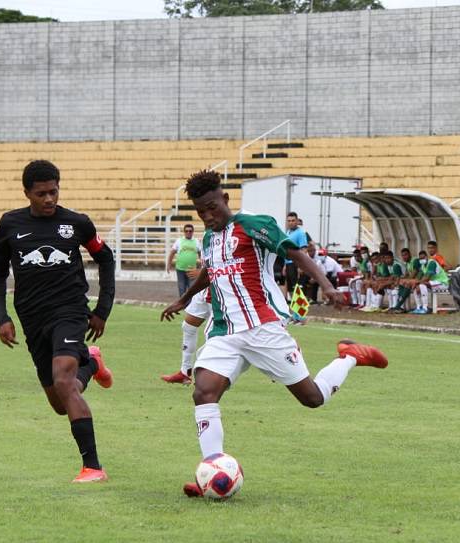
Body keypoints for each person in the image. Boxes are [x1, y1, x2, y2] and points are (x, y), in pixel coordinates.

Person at [159, 170, 388, 498]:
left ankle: (350, 356)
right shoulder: (209, 238)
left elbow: (294, 253)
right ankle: (213, 471)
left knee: (312, 398)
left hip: (264, 329)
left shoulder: (253, 225)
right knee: (203, 392)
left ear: (225, 199)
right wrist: (183, 299)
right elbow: (210, 270)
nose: (208, 216)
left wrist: (326, 286)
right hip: (225, 333)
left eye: (212, 207)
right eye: (201, 212)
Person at [0, 159, 116, 483]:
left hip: (70, 311)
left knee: (63, 381)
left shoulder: (76, 223)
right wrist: (1, 317)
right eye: (42, 194)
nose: (49, 199)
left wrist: (102, 309)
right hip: (32, 317)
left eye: (54, 192)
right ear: (27, 193)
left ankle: (93, 468)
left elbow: (105, 257)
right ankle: (91, 363)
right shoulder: (9, 225)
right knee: (61, 402)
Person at [161, 288, 211, 384]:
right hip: (204, 289)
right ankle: (185, 372)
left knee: (213, 335)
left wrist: (205, 274)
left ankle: (207, 375)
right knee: (188, 327)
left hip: (221, 290)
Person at [167, 224, 201, 296]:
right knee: (181, 289)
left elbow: (201, 254)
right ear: (184, 232)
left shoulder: (196, 241)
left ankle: (190, 305)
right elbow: (172, 253)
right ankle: (183, 305)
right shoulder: (179, 241)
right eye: (186, 231)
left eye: (190, 231)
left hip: (192, 270)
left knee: (191, 289)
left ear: (193, 232)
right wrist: (168, 265)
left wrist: (202, 266)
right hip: (180, 269)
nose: (188, 232)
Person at [282, 212, 308, 300]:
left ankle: (300, 311)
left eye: (293, 220)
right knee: (290, 288)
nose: (291, 222)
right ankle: (295, 309)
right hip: (289, 263)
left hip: (296, 263)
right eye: (289, 221)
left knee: (297, 288)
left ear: (297, 221)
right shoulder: (288, 232)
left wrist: (301, 266)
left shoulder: (300, 233)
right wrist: (285, 266)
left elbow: (303, 250)